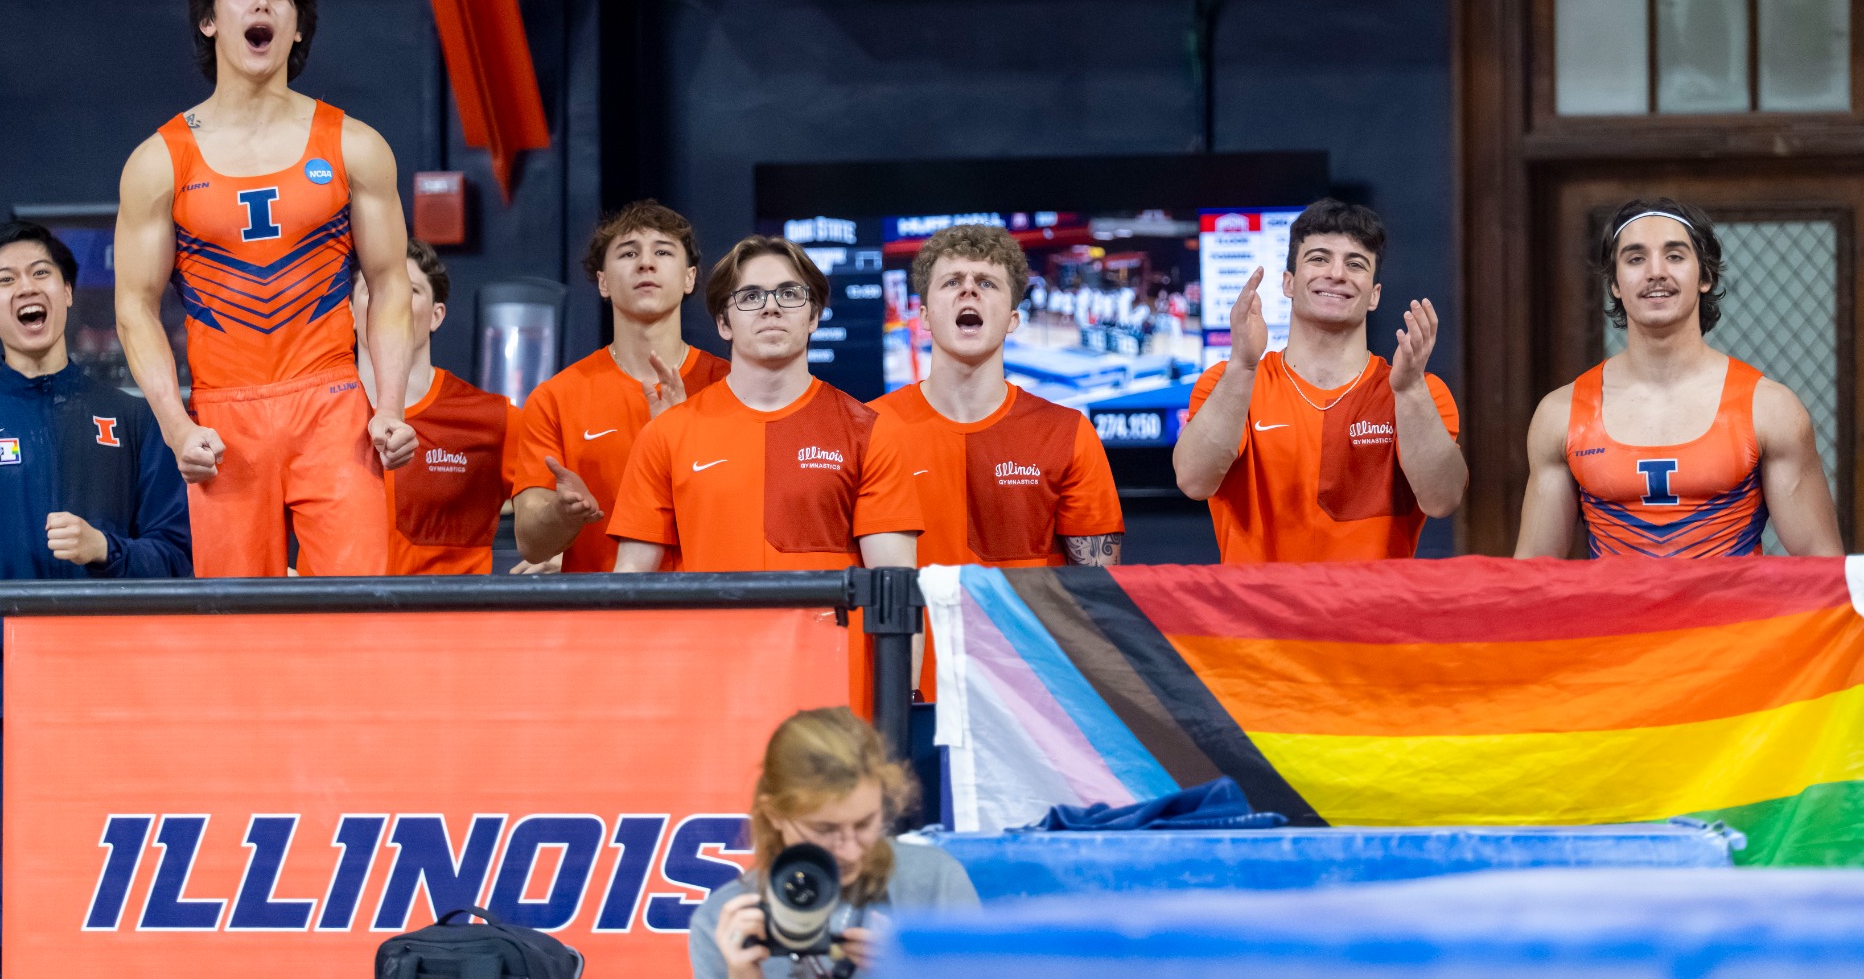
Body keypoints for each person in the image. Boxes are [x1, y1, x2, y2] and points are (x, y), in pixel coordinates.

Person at [0, 221, 193, 937]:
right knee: (13, 888)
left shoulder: (132, 418)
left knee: (116, 878)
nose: (24, 289)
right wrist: (32, 641)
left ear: (67, 293)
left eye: (40, 274)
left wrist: (107, 550)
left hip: (115, 694)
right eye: (3, 281)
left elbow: (174, 556)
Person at [113, 0, 416, 578]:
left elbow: (390, 284)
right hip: (225, 419)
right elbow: (134, 308)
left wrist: (388, 405)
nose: (263, 7)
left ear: (298, 27)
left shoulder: (355, 146)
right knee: (235, 630)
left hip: (334, 409)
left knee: (358, 613)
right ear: (208, 19)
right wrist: (175, 425)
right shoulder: (159, 161)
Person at [1515, 198, 1841, 558]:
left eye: (1675, 256)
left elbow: (1821, 566)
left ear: (1705, 276)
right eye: (1636, 258)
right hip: (1616, 616)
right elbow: (1534, 574)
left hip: (1733, 616)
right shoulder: (1560, 414)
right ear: (1615, 284)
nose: (1656, 271)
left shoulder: (1769, 409)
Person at [672, 708, 978, 979]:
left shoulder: (933, 881)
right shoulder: (729, 917)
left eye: (866, 823)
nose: (849, 850)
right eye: (825, 829)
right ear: (776, 815)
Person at [608, 235, 923, 575]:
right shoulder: (666, 435)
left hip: (830, 630)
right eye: (751, 296)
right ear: (724, 323)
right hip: (712, 629)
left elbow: (895, 593)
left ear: (814, 316)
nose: (771, 307)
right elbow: (630, 583)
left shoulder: (871, 433)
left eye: (789, 294)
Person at [1172, 199, 1465, 561]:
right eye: (1319, 258)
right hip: (1256, 615)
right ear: (1289, 283)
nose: (1337, 273)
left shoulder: (1418, 391)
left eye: (1355, 264)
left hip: (1371, 615)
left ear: (1374, 295)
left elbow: (1443, 499)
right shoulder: (1229, 381)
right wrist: (1243, 367)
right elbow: (1193, 480)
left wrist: (1410, 390)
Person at [872, 224, 1124, 570]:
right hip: (913, 627)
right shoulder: (866, 431)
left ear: (1013, 319)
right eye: (951, 282)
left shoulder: (1070, 435)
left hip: (1026, 628)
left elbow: (1098, 597)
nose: (969, 291)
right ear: (925, 317)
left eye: (987, 283)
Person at [513, 201, 728, 572]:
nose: (646, 262)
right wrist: (563, 513)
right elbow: (531, 544)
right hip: (603, 619)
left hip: (712, 612)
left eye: (663, 251)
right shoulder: (556, 397)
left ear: (690, 277)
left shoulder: (729, 386)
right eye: (629, 253)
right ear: (603, 282)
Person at [329, 238, 524, 575]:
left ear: (437, 316)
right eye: (375, 289)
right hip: (336, 623)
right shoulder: (315, 412)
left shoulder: (492, 418)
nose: (394, 301)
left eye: (411, 289)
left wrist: (559, 554)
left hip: (446, 621)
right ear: (349, 313)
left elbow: (557, 507)